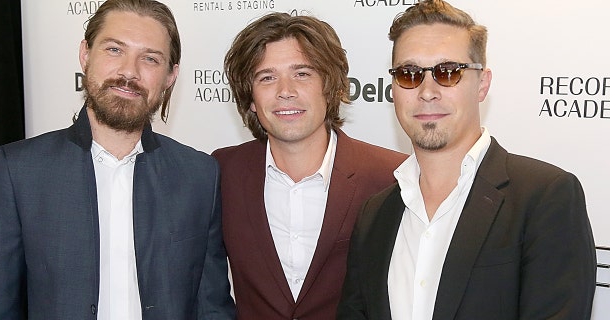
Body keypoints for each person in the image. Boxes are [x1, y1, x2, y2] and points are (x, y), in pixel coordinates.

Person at [337, 1, 597, 319]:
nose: (427, 91)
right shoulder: (375, 214)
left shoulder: (545, 198)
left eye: (448, 73)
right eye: (409, 74)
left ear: (482, 84)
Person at [0, 0, 235, 319]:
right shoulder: (18, 171)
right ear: (85, 54)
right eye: (114, 50)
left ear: (170, 77)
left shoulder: (199, 176)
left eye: (150, 58)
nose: (129, 71)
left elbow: (212, 306)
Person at [212, 12, 408, 320]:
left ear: (329, 87)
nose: (285, 90)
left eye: (302, 73)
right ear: (250, 98)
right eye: (267, 77)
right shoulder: (221, 172)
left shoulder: (392, 176)